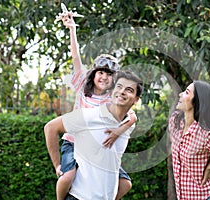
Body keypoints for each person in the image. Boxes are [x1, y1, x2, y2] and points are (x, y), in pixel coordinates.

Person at [55, 13, 135, 200]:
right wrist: (72, 30)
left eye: (108, 75)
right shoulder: (82, 86)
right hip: (74, 143)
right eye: (101, 72)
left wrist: (117, 132)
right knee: (67, 176)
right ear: (94, 74)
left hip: (95, 149)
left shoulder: (112, 99)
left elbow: (132, 117)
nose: (104, 77)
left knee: (125, 183)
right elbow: (75, 57)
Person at [44, 70, 143, 200]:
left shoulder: (129, 124)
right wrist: (57, 165)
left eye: (129, 90)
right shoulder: (89, 116)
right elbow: (50, 127)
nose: (122, 91)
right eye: (119, 87)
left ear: (136, 100)